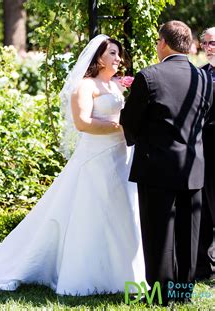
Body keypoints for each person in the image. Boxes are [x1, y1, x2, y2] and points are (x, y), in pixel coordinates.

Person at [0, 35, 146, 296]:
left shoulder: (115, 87)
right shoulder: (85, 86)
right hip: (95, 158)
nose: (119, 59)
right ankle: (86, 273)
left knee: (120, 211)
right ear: (99, 58)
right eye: (113, 54)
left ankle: (122, 273)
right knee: (91, 212)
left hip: (119, 156)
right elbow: (83, 123)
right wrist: (119, 127)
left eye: (119, 54)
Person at [120, 21, 213, 304]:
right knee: (188, 235)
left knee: (159, 237)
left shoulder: (148, 76)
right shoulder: (204, 79)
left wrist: (140, 134)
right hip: (194, 167)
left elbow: (131, 121)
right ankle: (182, 295)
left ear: (163, 43)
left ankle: (160, 297)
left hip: (156, 168)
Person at [196, 26, 215, 281]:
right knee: (204, 210)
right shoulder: (197, 75)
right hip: (202, 150)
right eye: (207, 44)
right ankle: (206, 267)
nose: (211, 48)